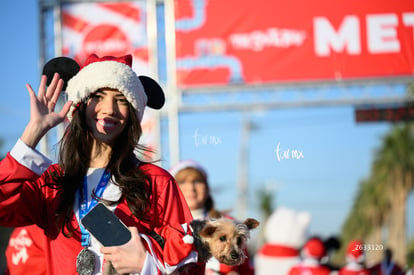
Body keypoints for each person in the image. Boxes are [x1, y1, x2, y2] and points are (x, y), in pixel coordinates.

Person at [0, 54, 204, 274]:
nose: (109, 109)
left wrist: (147, 265)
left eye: (122, 99)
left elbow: (190, 265)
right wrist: (33, 132)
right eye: (98, 96)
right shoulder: (52, 182)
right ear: (79, 104)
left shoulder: (156, 181)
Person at [169, 160, 255, 275]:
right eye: (182, 181)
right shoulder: (166, 227)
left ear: (207, 188)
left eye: (197, 181)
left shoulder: (232, 226)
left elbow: (246, 271)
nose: (191, 187)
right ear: (172, 189)